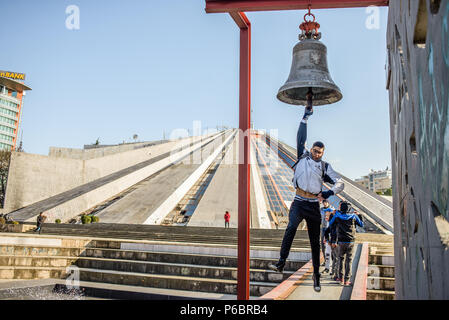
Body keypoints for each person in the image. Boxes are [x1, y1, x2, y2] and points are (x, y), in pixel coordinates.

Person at [268, 106, 344, 292]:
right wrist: (305, 117)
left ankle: (316, 277)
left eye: (319, 152)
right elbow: (300, 137)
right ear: (311, 149)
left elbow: (340, 183)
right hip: (298, 201)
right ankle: (281, 262)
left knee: (314, 242)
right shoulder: (302, 157)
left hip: (312, 205)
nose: (316, 153)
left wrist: (328, 193)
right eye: (314, 150)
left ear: (322, 153)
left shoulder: (325, 167)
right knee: (291, 227)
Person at [327, 201, 364, 286]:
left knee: (340, 259)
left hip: (341, 241)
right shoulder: (353, 216)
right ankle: (347, 280)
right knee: (349, 260)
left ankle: (341, 278)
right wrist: (359, 215)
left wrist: (334, 214)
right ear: (349, 209)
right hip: (350, 241)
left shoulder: (337, 216)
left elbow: (330, 223)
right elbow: (361, 224)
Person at [320, 199, 334, 267]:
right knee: (323, 244)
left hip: (330, 228)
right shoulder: (321, 209)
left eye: (326, 202)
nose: (325, 204)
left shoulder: (332, 209)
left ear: (328, 203)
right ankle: (325, 261)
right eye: (324, 203)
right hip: (323, 228)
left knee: (330, 244)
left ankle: (332, 261)